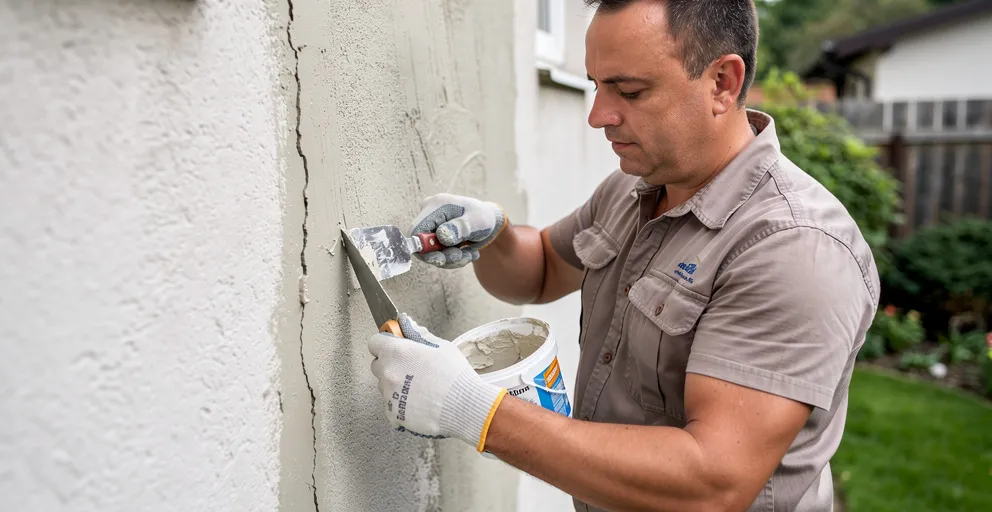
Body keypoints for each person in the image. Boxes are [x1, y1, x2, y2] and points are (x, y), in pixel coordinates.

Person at [366, 1, 879, 510]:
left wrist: (471, 409)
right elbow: (541, 270)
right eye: (595, 85)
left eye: (629, 91)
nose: (598, 116)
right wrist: (495, 235)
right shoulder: (634, 188)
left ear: (722, 83)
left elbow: (711, 485)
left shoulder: (794, 249)